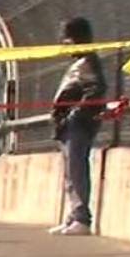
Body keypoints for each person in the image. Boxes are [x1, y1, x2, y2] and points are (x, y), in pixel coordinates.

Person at [49, 17, 107, 236]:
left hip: (78, 125)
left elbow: (95, 90)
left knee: (76, 170)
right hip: (68, 124)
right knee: (70, 172)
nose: (65, 44)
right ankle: (73, 216)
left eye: (67, 39)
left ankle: (82, 218)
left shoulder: (87, 62)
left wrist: (75, 115)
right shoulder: (80, 62)